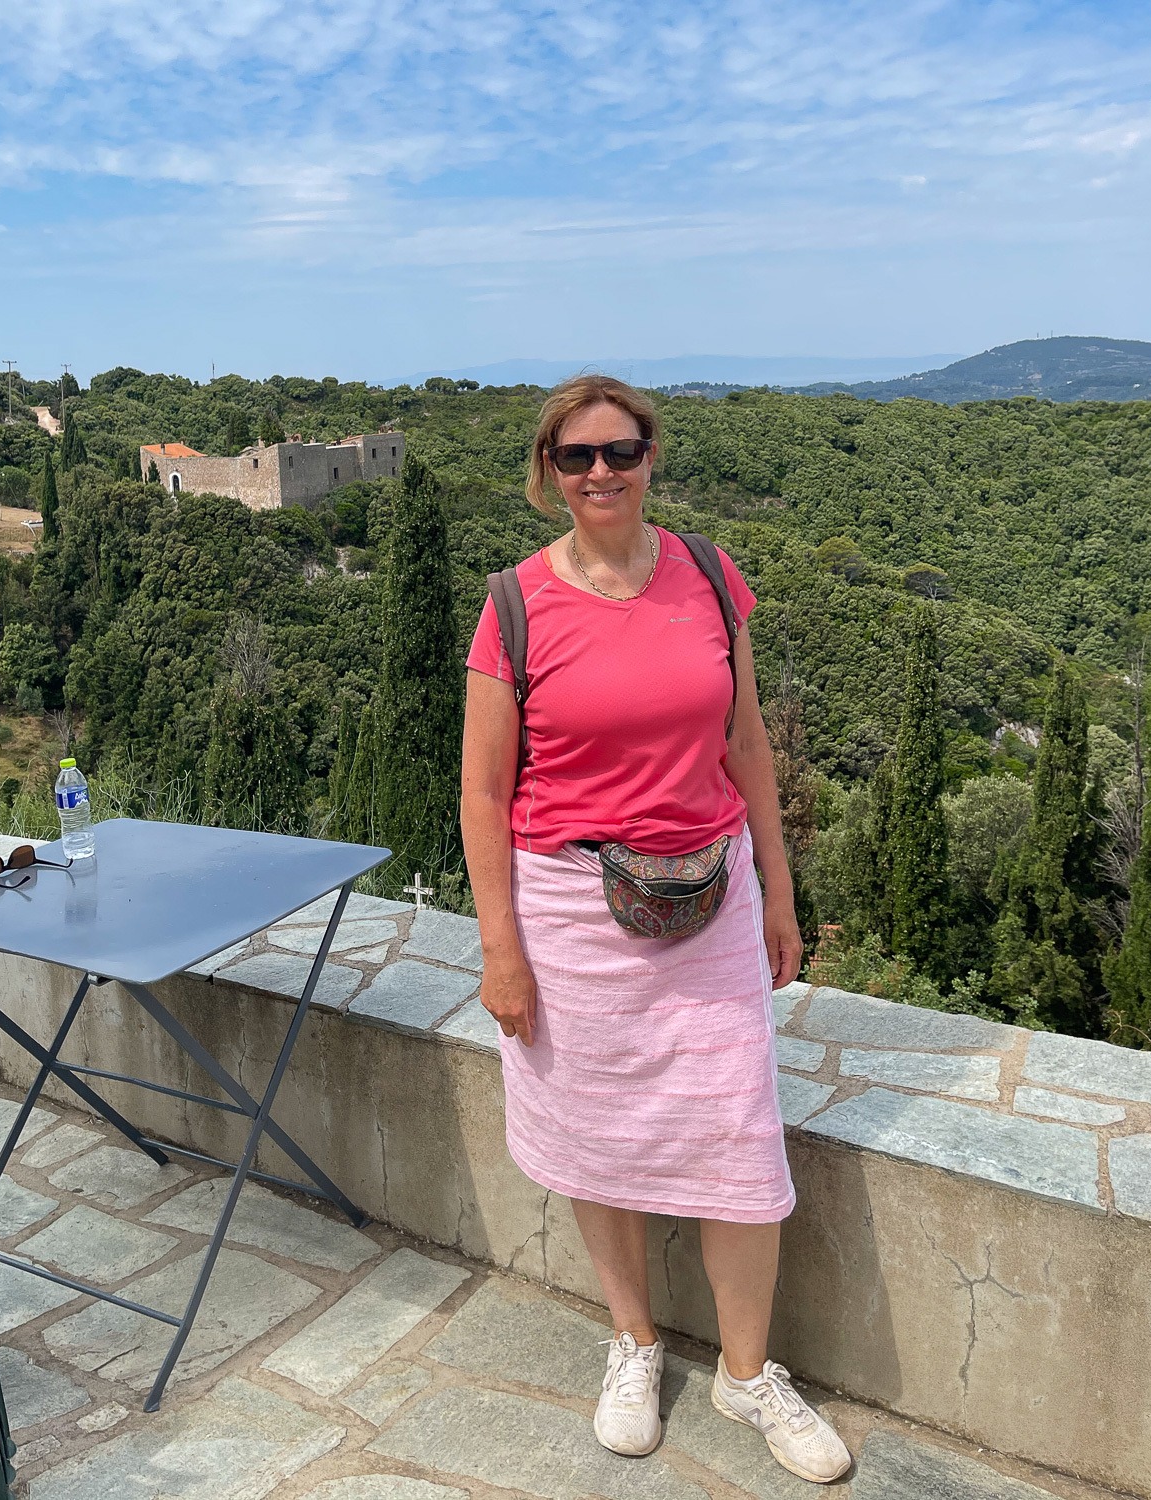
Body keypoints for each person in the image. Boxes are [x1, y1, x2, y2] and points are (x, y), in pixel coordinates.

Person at [460, 374, 850, 1484]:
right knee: (596, 1136)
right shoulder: (515, 605)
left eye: (619, 453)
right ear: (548, 473)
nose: (600, 475)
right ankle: (634, 1341)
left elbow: (747, 747)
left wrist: (779, 890)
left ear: (651, 457)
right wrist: (501, 948)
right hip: (569, 910)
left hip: (710, 895)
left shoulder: (713, 579)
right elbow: (482, 794)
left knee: (739, 1133)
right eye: (576, 458)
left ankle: (745, 1373)